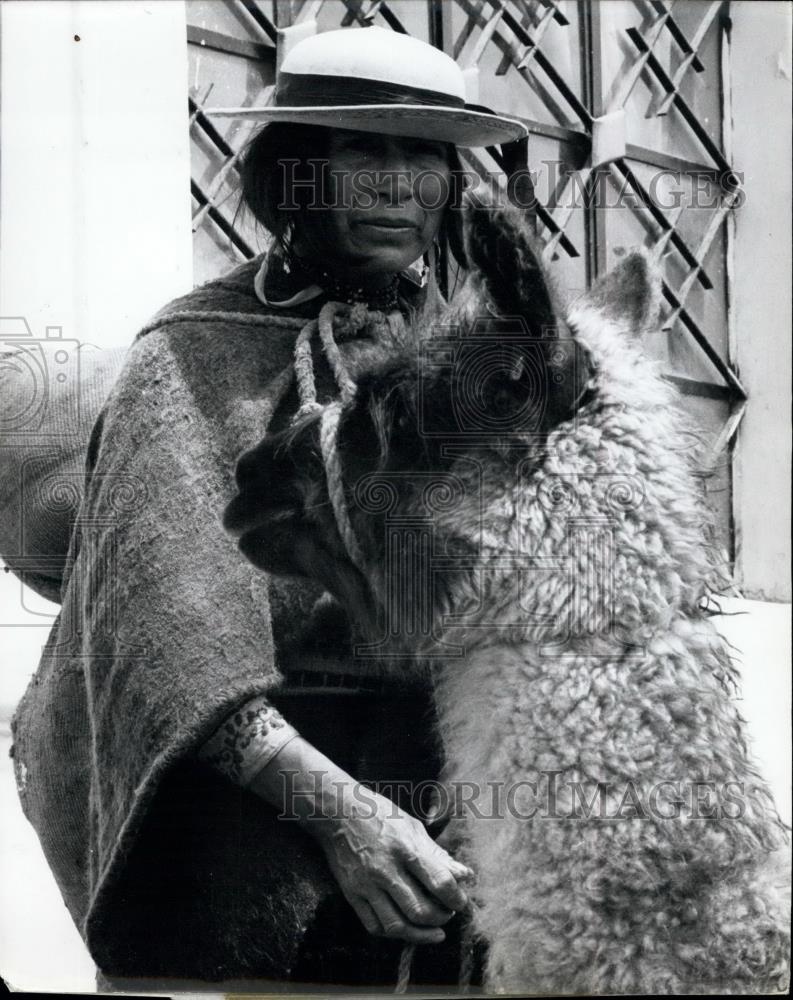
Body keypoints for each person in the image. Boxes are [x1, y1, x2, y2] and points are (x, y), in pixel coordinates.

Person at [6, 25, 528, 990]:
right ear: (293, 172)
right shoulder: (192, 354)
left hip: (460, 823)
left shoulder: (481, 358)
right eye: (360, 148)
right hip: (246, 823)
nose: (394, 183)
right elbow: (165, 632)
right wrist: (342, 816)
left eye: (422, 154)